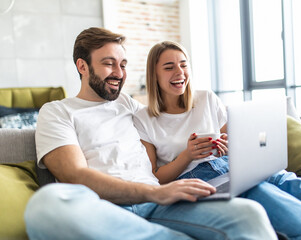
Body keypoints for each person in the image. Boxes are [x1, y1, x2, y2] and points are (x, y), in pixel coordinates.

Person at [23, 27, 278, 240]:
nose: (119, 74)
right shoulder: (57, 111)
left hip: (160, 205)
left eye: (122, 65)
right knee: (46, 204)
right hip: (107, 209)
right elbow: (74, 175)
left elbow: (167, 126)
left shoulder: (127, 104)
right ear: (82, 66)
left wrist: (207, 140)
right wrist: (154, 192)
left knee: (248, 214)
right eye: (109, 64)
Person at [133, 40, 301, 240]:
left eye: (183, 64)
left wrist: (227, 145)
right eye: (169, 67)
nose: (179, 72)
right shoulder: (144, 119)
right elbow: (155, 178)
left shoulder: (206, 98)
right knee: (282, 206)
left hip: (236, 165)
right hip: (202, 177)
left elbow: (230, 138)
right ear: (154, 74)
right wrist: (187, 156)